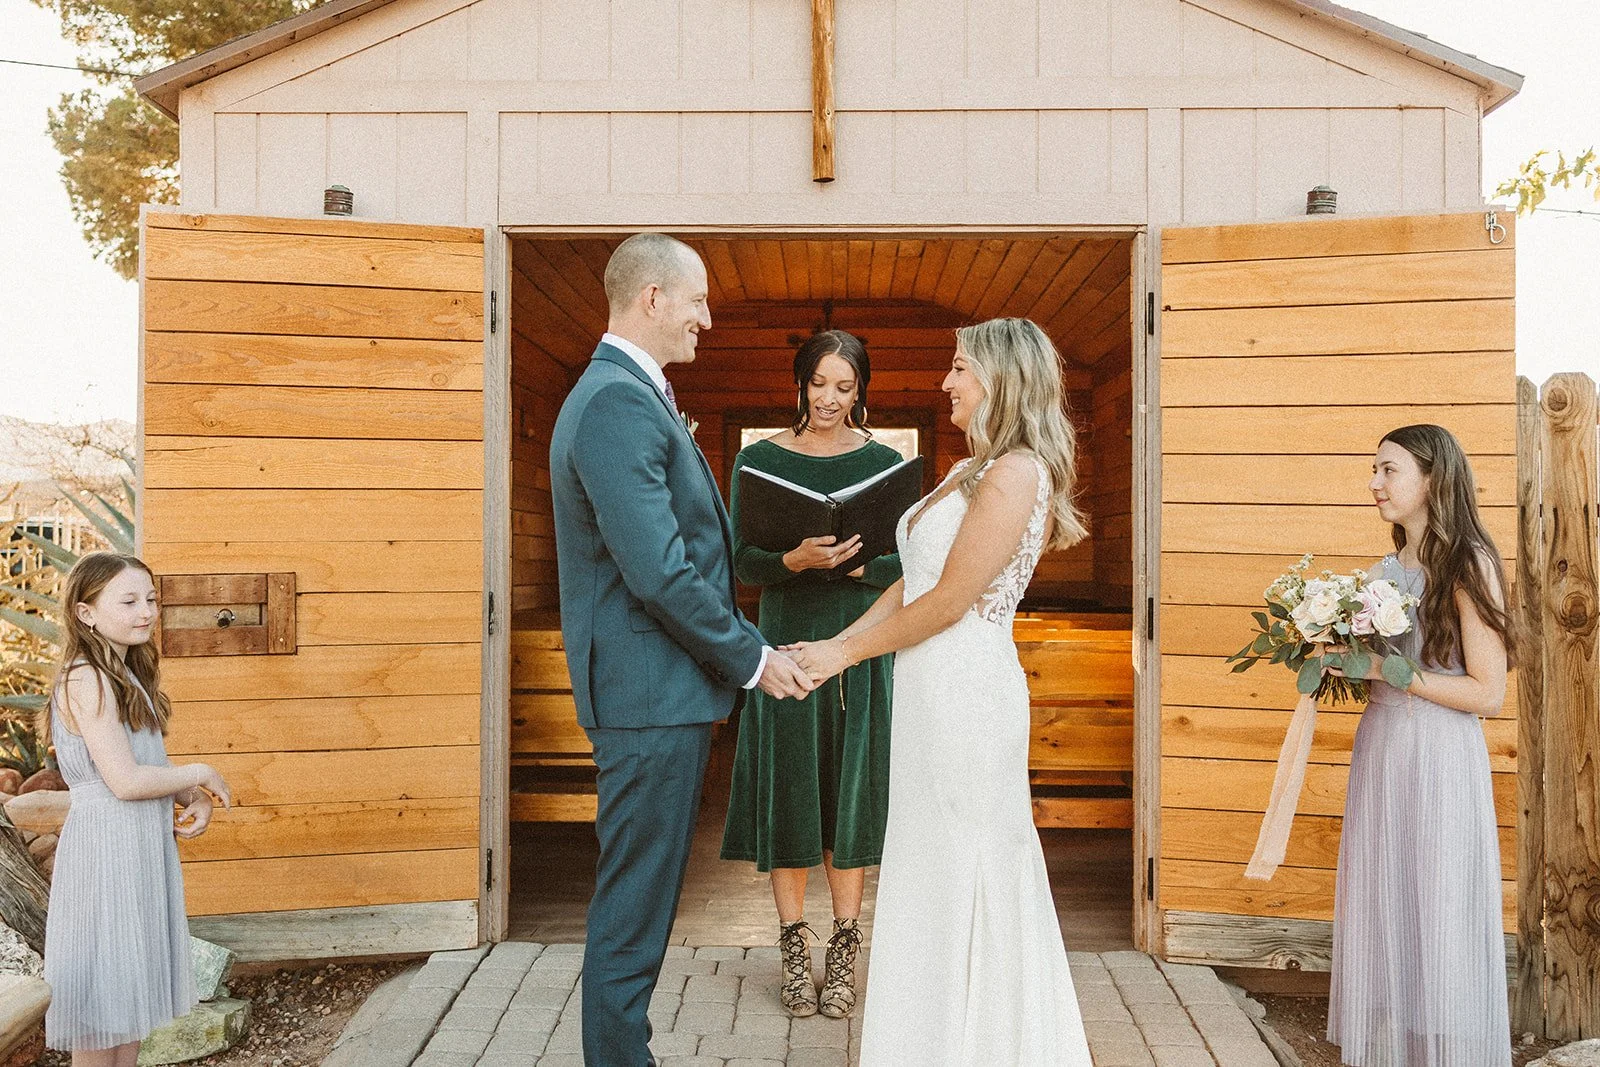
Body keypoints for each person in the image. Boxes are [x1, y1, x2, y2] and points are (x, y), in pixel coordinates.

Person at [788, 317, 1093, 1064]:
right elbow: (912, 585)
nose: (946, 381)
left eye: (960, 367)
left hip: (968, 694)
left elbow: (952, 601)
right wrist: (833, 650)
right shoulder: (969, 471)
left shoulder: (1017, 473)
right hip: (927, 690)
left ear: (1000, 379)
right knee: (927, 862)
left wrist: (843, 653)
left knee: (966, 860)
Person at [548, 231, 815, 1067]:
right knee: (634, 907)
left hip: (657, 693)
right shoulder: (616, 402)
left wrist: (754, 644)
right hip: (646, 695)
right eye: (696, 300)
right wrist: (753, 659)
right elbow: (659, 572)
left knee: (644, 900)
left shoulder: (632, 394)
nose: (706, 318)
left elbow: (681, 559)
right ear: (652, 297)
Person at [720, 329, 902, 1019]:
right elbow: (740, 561)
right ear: (800, 384)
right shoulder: (757, 461)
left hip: (857, 650)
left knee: (847, 795)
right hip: (786, 653)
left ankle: (845, 948)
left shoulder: (884, 463)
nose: (830, 399)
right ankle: (795, 948)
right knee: (792, 789)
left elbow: (908, 566)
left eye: (844, 387)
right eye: (819, 384)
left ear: (861, 391)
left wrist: (857, 567)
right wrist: (792, 561)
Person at [1321, 424, 1514, 1067]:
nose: (1373, 483)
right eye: (1373, 470)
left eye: (1388, 470)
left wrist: (1390, 671)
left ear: (1432, 479)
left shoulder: (1467, 564)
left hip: (1439, 756)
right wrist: (1333, 657)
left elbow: (1489, 693)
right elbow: (1377, 669)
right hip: (1381, 749)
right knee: (1389, 902)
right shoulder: (1384, 572)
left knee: (1438, 903)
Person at [42, 552, 232, 1065]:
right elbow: (124, 782)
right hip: (106, 853)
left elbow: (145, 765)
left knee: (126, 1011)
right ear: (85, 613)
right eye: (128, 601)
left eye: (150, 599)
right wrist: (200, 772)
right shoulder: (86, 678)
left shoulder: (124, 675)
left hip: (136, 850)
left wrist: (189, 795)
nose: (145, 611)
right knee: (103, 1007)